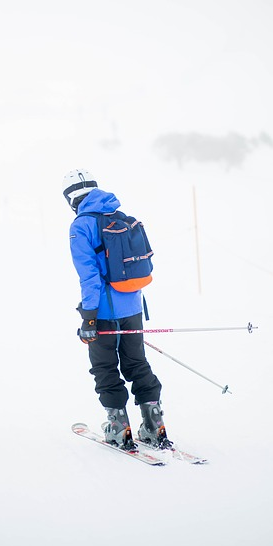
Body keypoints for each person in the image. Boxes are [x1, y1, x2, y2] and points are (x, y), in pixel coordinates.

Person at [63, 168, 171, 450]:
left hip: (103, 312)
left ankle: (118, 428)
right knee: (136, 363)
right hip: (133, 306)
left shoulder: (80, 226)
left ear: (71, 198)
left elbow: (89, 277)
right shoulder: (120, 217)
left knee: (105, 367)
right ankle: (154, 425)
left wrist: (89, 318)